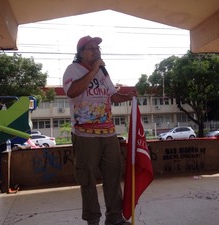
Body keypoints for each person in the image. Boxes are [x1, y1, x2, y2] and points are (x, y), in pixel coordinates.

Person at [63, 36, 135, 225]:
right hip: (85, 135)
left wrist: (129, 96)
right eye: (90, 48)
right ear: (80, 53)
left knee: (113, 175)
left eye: (97, 48)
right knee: (87, 179)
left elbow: (113, 96)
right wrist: (94, 69)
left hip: (109, 133)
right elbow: (71, 91)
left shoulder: (103, 72)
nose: (96, 51)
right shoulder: (73, 70)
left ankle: (114, 218)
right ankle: (93, 220)